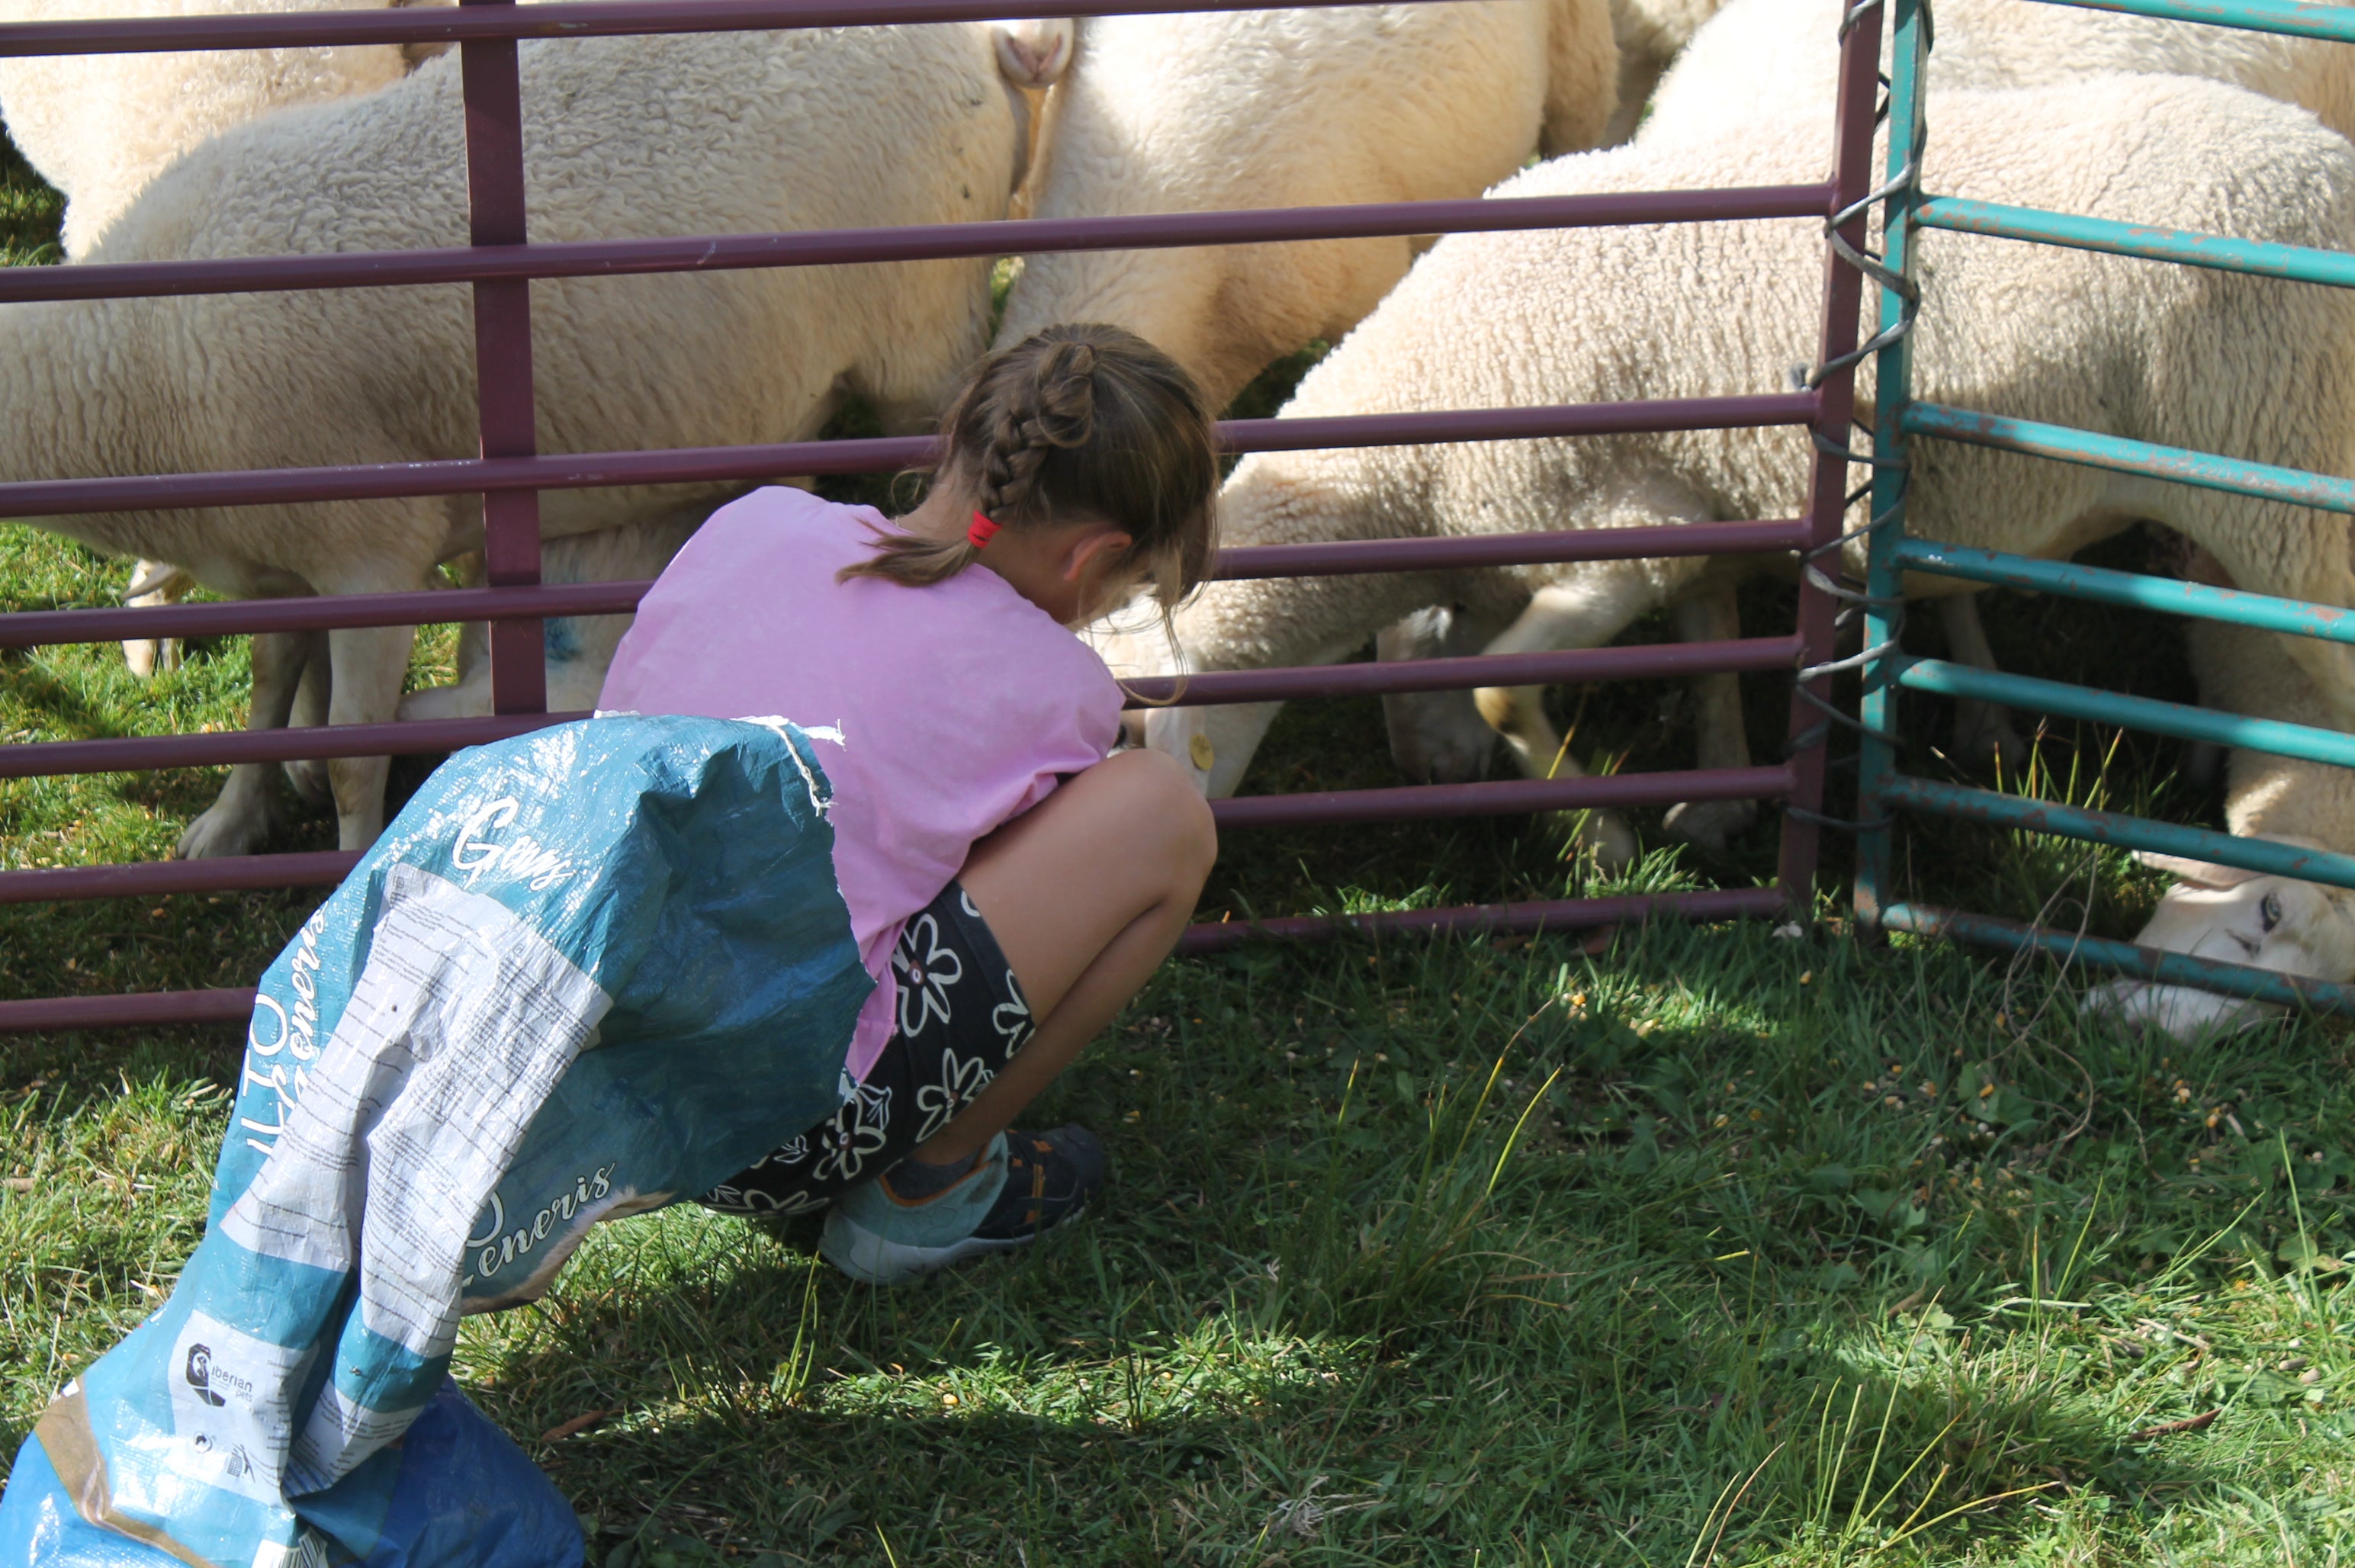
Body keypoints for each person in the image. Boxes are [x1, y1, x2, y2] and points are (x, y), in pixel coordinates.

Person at [597, 323, 1221, 1284]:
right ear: (1093, 555)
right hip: (773, 1137)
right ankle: (925, 1194)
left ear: (959, 436)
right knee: (1160, 813)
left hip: (605, 1078)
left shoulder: (755, 520)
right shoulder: (1058, 683)